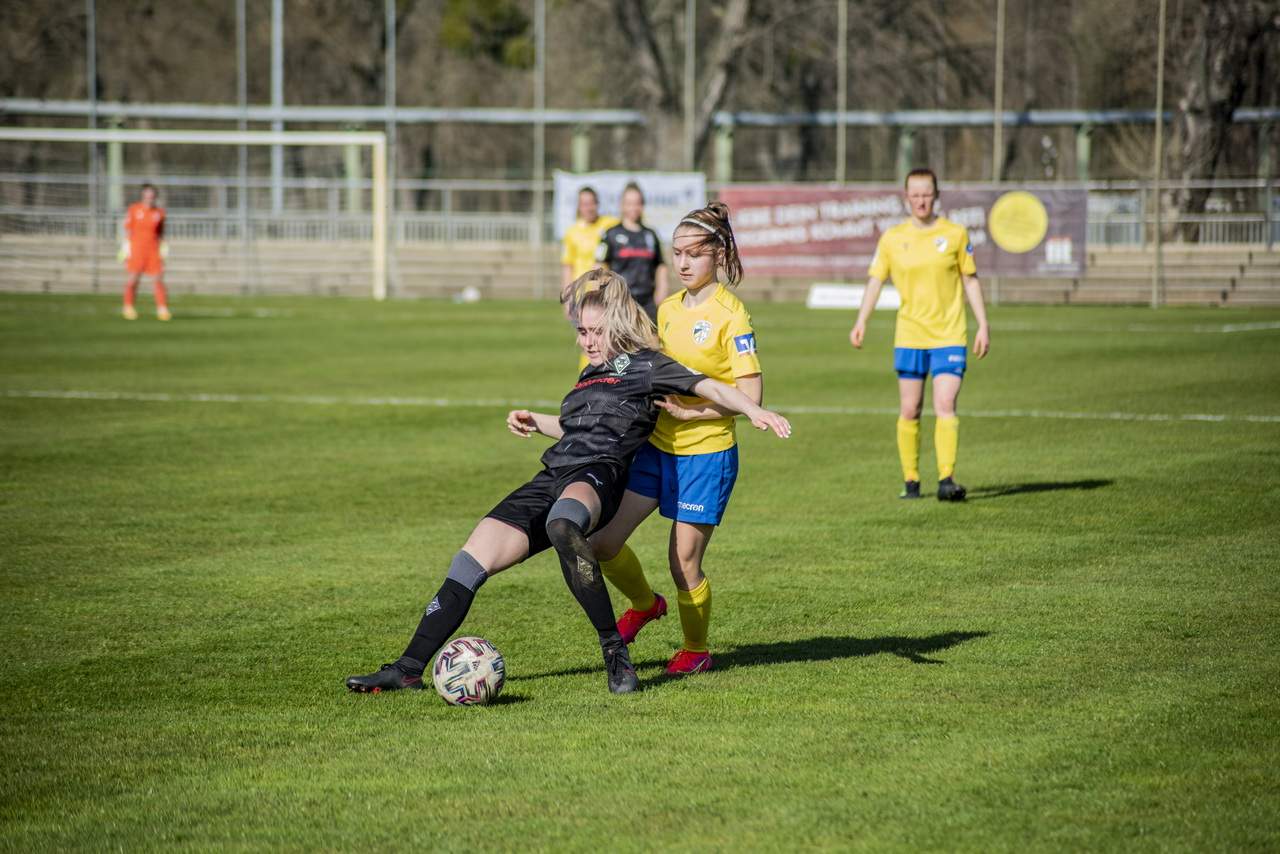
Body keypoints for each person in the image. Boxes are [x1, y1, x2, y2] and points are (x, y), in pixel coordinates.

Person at [345, 269, 791, 695]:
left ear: (615, 325)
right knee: (470, 558)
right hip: (553, 474)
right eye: (582, 332)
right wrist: (534, 420)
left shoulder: (647, 366)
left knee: (564, 526)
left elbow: (709, 385)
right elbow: (577, 427)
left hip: (599, 476)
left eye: (595, 331)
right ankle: (406, 669)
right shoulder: (588, 373)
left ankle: (615, 654)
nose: (588, 340)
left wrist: (754, 410)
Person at [590, 201, 762, 676]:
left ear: (719, 255)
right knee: (602, 542)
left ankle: (696, 648)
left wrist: (694, 411)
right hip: (656, 448)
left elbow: (750, 396)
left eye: (694, 254)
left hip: (705, 455)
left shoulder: (733, 317)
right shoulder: (665, 310)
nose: (683, 262)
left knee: (683, 560)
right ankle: (645, 604)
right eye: (677, 253)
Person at [849, 167, 990, 501]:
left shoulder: (955, 234)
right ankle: (911, 481)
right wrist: (861, 321)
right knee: (910, 408)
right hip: (910, 334)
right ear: (906, 197)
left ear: (936, 195)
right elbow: (875, 280)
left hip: (949, 334)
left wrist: (983, 323)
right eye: (915, 195)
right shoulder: (892, 238)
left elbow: (970, 279)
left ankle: (946, 479)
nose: (921, 200)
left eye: (927, 194)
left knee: (945, 403)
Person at [597, 181, 669, 321]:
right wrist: (606, 293)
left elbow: (660, 265)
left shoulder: (651, 235)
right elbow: (599, 266)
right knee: (621, 342)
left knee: (651, 341)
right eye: (629, 203)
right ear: (622, 205)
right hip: (620, 301)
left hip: (647, 302)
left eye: (637, 203)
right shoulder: (610, 234)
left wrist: (662, 290)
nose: (633, 207)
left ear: (642, 205)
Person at [120, 183, 171, 321]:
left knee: (158, 279)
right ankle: (128, 307)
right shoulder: (134, 209)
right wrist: (125, 250)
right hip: (137, 249)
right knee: (133, 279)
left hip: (153, 250)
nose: (150, 198)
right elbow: (128, 231)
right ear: (143, 196)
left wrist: (164, 249)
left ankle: (162, 309)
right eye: (147, 195)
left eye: (152, 195)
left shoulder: (159, 213)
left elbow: (161, 234)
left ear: (155, 197)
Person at [560, 186, 619, 300]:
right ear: (579, 207)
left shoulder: (610, 225)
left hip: (606, 294)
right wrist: (567, 297)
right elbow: (568, 267)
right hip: (581, 295)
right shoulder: (572, 232)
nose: (589, 208)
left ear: (598, 204)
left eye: (592, 203)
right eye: (585, 204)